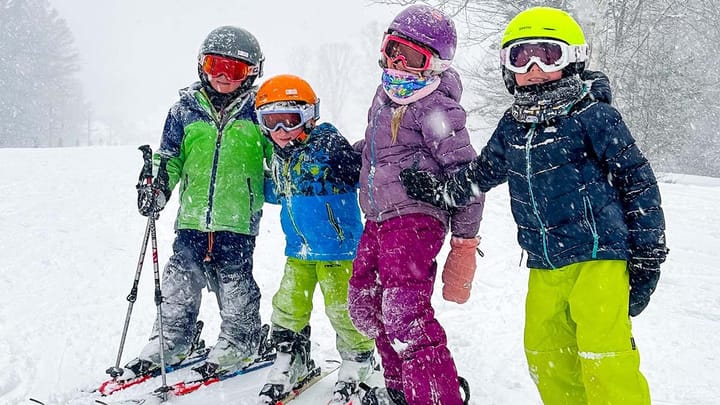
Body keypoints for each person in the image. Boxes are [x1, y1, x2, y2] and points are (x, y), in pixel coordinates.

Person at [400, 7, 668, 405]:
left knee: (602, 351)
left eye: (548, 55)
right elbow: (481, 174)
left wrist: (648, 254)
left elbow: (637, 180)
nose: (535, 67)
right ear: (509, 69)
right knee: (545, 351)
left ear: (573, 60)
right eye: (521, 57)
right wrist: (440, 191)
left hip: (600, 255)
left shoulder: (593, 114)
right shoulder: (513, 124)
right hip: (545, 261)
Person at [348, 5, 485, 405]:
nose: (397, 65)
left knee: (403, 313)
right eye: (392, 50)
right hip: (377, 219)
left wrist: (464, 245)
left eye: (410, 58)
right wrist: (351, 156)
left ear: (434, 65)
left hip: (416, 220)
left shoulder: (437, 108)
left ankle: (434, 395)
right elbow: (383, 153)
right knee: (365, 305)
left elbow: (468, 178)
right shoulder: (384, 98)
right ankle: (402, 385)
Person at [127, 25, 273, 379]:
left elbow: (278, 155)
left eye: (234, 69)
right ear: (201, 66)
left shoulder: (259, 112)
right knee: (180, 279)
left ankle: (242, 337)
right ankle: (174, 335)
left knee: (234, 280)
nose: (223, 76)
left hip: (237, 218)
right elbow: (171, 156)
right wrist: (158, 183)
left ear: (252, 72)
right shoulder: (184, 111)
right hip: (192, 217)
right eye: (214, 66)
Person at [253, 74, 376, 404]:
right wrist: (250, 186)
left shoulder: (329, 147)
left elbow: (362, 172)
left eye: (289, 121)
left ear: (309, 116)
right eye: (272, 123)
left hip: (339, 251)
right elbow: (282, 193)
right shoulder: (281, 158)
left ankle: (358, 357)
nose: (281, 133)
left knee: (343, 308)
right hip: (299, 251)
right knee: (288, 305)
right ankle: (290, 356)